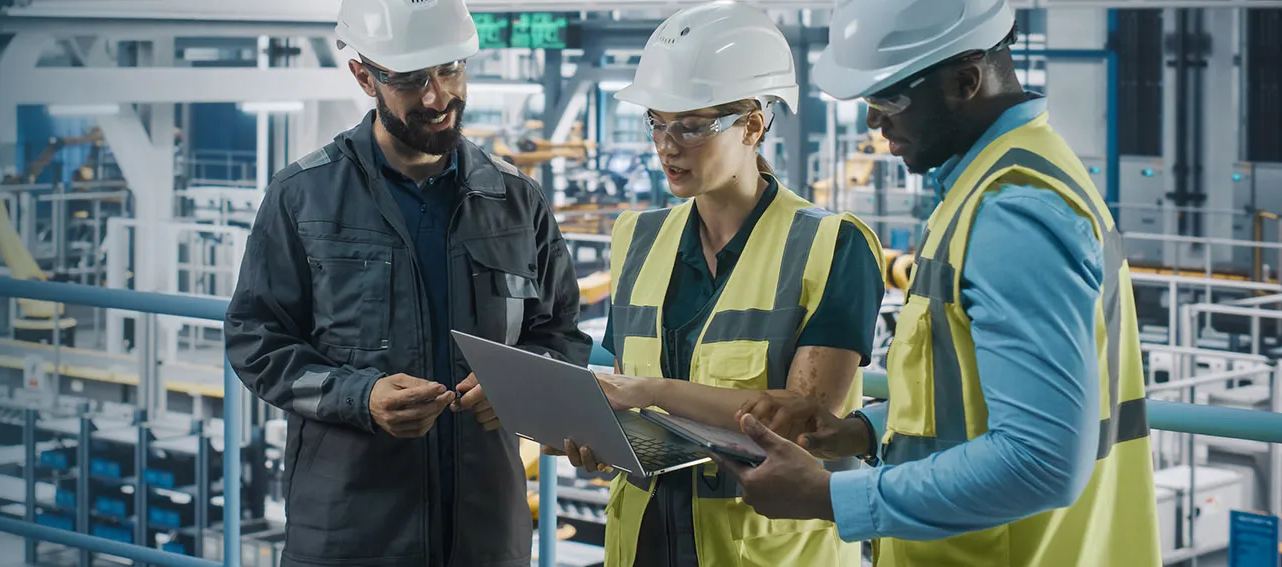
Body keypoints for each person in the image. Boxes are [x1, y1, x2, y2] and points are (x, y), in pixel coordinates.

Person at [712, 1, 1162, 566]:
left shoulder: (1010, 211)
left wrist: (829, 495)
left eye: (888, 98)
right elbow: (966, 404)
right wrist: (863, 432)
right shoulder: (993, 184)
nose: (873, 122)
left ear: (965, 80)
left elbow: (1042, 460)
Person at [222, 0, 592, 564]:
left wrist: (519, 389)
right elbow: (255, 340)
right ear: (364, 76)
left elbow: (560, 332)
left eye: (449, 69)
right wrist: (360, 396)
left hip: (485, 530)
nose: (436, 97)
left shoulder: (516, 201)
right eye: (411, 79)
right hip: (350, 529)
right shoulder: (302, 197)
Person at [545, 3, 885, 566]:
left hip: (761, 550)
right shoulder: (637, 237)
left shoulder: (832, 246)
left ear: (754, 124)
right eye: (656, 121)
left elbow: (800, 421)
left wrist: (649, 393)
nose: (667, 144)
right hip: (643, 543)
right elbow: (614, 376)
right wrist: (592, 430)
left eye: (692, 125)